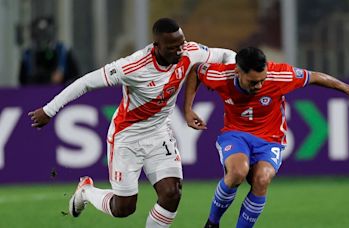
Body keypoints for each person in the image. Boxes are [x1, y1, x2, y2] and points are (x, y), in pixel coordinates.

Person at [28, 18, 235, 227]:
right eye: (172, 48)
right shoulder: (133, 66)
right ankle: (86, 191)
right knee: (124, 208)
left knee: (172, 193)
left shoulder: (189, 52)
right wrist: (49, 110)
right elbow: (86, 83)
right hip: (127, 137)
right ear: (157, 47)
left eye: (181, 44)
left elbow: (226, 55)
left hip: (159, 132)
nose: (179, 51)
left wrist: (237, 72)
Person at [184, 47, 349, 228]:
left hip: (270, 138)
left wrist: (348, 89)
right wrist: (188, 109)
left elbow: (315, 77)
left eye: (262, 80)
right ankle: (212, 223)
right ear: (237, 72)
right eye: (253, 82)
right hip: (236, 133)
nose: (259, 85)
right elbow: (196, 70)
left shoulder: (279, 75)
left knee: (262, 179)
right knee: (237, 173)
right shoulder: (220, 75)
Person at [19, 16, 79, 85]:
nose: (42, 37)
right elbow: (23, 81)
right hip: (35, 92)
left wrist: (62, 76)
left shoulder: (64, 51)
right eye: (39, 34)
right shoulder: (28, 54)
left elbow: (75, 77)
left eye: (46, 33)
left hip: (61, 90)